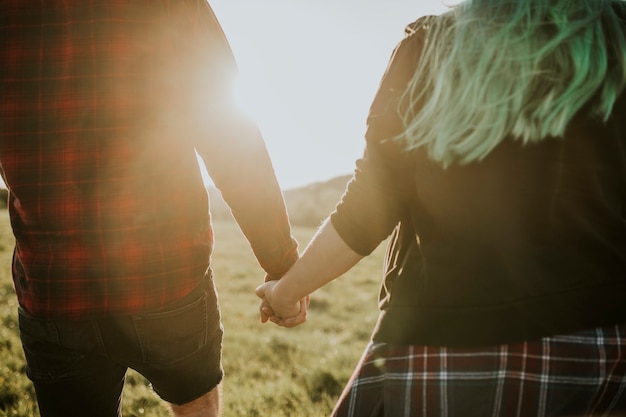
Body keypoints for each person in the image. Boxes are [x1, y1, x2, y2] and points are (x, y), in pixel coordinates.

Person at [256, 0, 626, 415]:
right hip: (611, 347)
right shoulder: (618, 35)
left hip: (462, 338)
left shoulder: (433, 45)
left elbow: (370, 204)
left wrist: (285, 293)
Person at [0, 1, 302, 416]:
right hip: (166, 272)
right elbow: (228, 134)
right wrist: (281, 260)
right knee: (196, 403)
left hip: (55, 285)